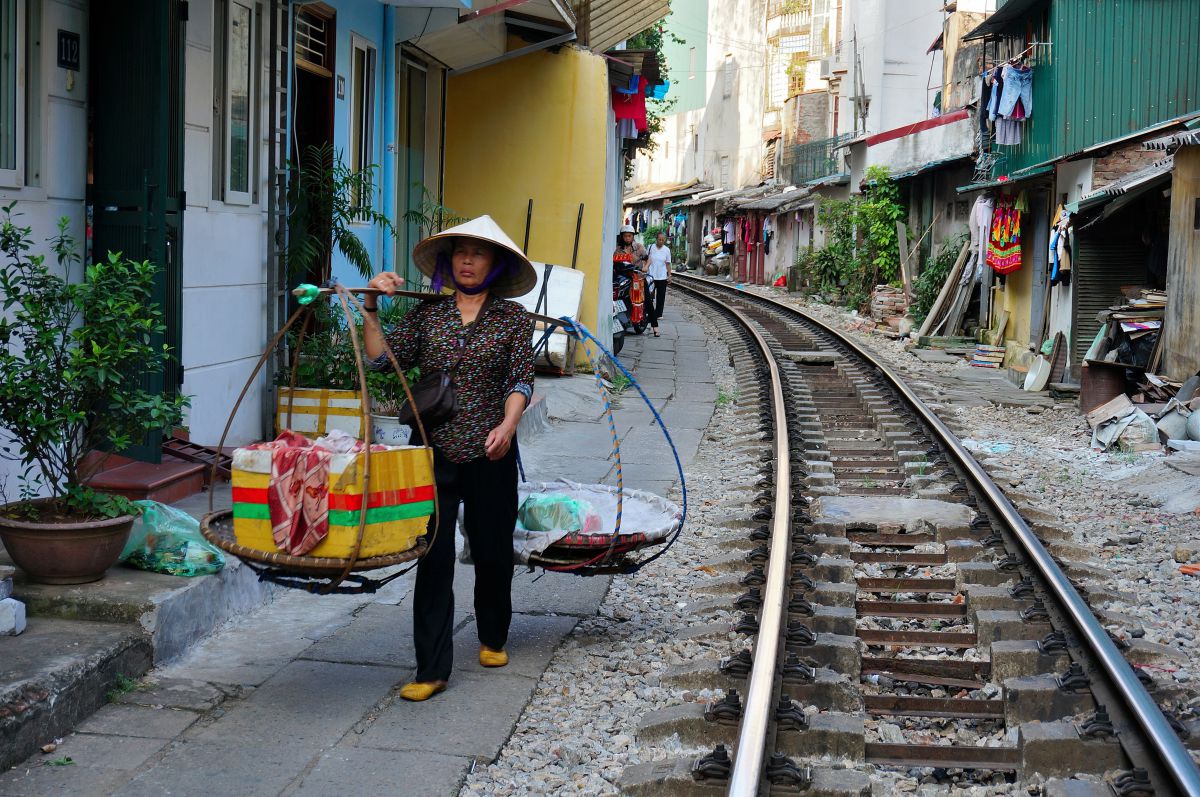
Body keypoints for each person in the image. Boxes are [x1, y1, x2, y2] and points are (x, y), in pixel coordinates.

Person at [362, 215, 537, 702]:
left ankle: (492, 635)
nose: (467, 260)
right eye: (460, 252)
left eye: (478, 253)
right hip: (432, 450)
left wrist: (508, 426)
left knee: (492, 550)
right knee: (432, 557)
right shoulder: (428, 316)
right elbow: (381, 360)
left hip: (490, 450)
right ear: (448, 261)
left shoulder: (512, 319)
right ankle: (432, 669)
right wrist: (371, 303)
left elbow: (520, 381)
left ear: (494, 264)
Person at [645, 232, 671, 337]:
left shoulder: (667, 250)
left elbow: (668, 263)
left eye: (663, 240)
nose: (661, 241)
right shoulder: (650, 247)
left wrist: (669, 275)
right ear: (656, 239)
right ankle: (649, 312)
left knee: (661, 296)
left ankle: (659, 314)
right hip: (651, 276)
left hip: (662, 276)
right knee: (649, 296)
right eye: (659, 239)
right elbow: (646, 259)